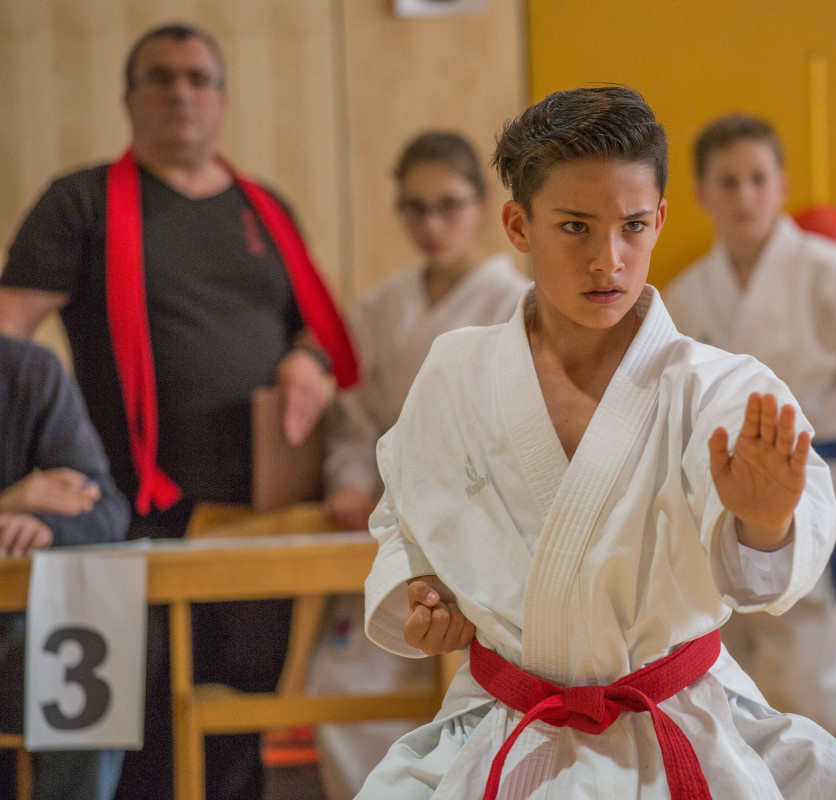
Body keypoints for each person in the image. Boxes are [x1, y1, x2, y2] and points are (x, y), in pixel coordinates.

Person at [354, 86, 836, 799]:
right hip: (504, 722)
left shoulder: (720, 387)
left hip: (681, 720)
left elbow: (763, 572)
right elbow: (405, 513)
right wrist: (419, 591)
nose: (607, 260)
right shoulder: (456, 372)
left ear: (660, 220)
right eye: (574, 227)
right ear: (518, 226)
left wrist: (766, 524)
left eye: (632, 226)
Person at [0, 23, 357, 800]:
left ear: (222, 100)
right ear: (129, 98)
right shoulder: (81, 201)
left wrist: (308, 360)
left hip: (259, 514)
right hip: (133, 515)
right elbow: (9, 336)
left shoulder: (264, 207)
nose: (180, 93)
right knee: (139, 721)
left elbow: (316, 329)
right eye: (159, 77)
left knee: (240, 717)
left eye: (198, 78)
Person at [664, 114, 836, 735]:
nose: (744, 196)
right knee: (719, 669)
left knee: (807, 670)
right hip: (715, 494)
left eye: (757, 179)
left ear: (781, 186)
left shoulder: (828, 270)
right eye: (728, 182)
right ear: (701, 193)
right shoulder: (686, 295)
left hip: (808, 474)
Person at [310, 131, 527, 800]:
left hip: (482, 529)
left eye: (448, 205)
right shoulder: (379, 309)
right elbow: (353, 421)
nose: (432, 224)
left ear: (482, 205)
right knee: (344, 688)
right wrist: (351, 481)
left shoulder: (516, 303)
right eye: (415, 208)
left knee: (474, 708)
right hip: (388, 522)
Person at [0, 333, 130, 800]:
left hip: (14, 634)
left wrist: (46, 528)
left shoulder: (30, 372)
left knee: (89, 658)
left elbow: (106, 510)